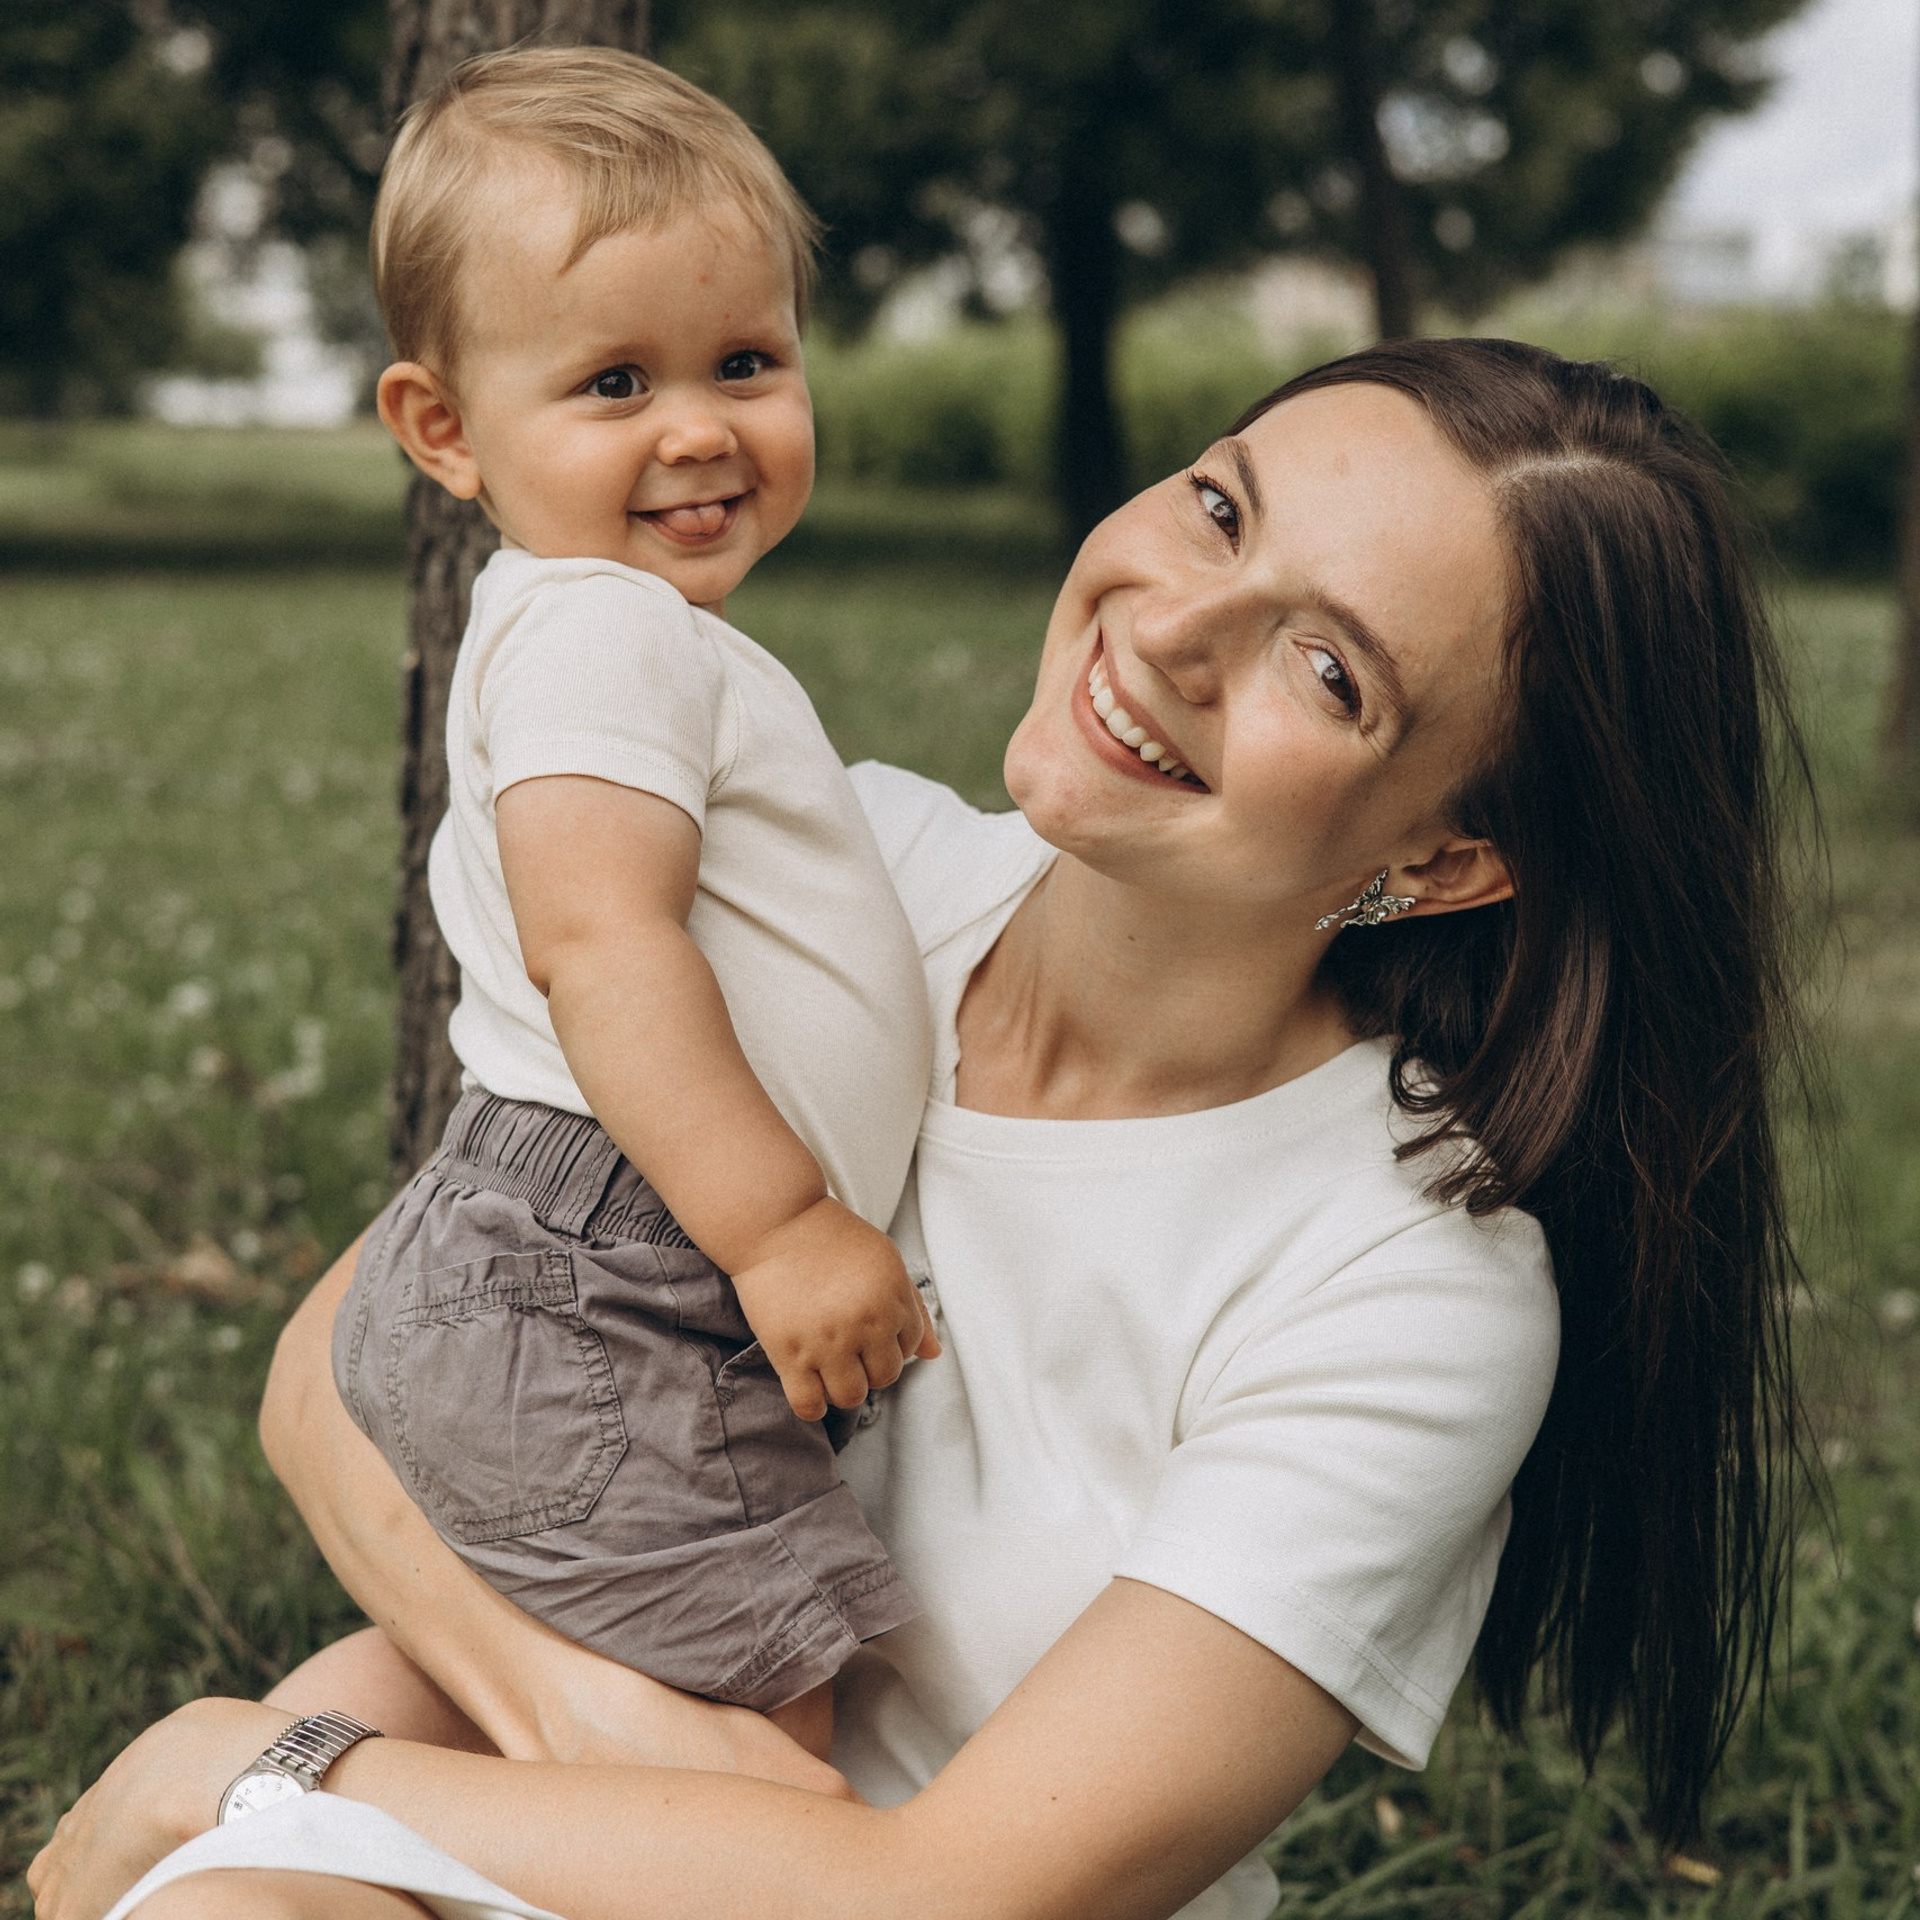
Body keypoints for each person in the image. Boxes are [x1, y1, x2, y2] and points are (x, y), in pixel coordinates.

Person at [31, 337, 1811, 1920]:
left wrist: (256, 1771)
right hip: (560, 1817)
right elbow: (338, 1361)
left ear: (1438, 861)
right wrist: (568, 1729)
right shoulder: (829, 877)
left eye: (1327, 670)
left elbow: (961, 1892)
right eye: (1213, 508)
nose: (1172, 631)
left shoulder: (1404, 1286)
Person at [331, 40, 942, 1766]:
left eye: (745, 359)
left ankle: (266, 1825)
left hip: (576, 1266)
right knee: (755, 1740)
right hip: (623, 1273)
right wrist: (780, 1229)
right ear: (443, 430)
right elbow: (599, 941)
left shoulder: (620, 631)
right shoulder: (603, 627)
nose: (697, 426)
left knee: (512, 1691)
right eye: (613, 382)